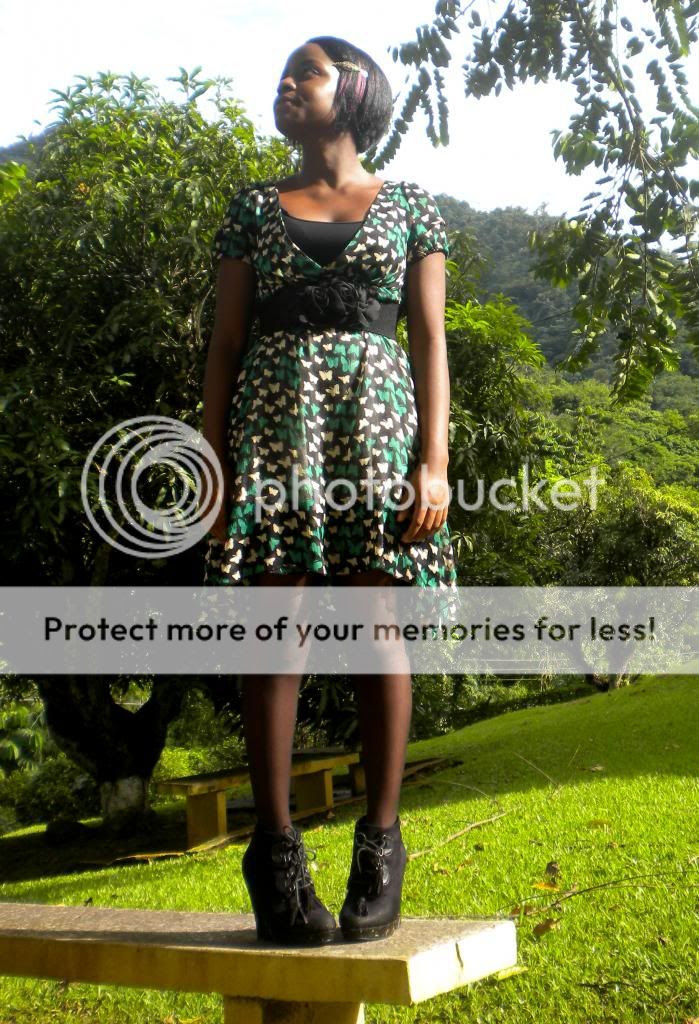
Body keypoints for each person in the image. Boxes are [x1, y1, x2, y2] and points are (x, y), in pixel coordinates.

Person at [201, 35, 457, 946]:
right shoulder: (249, 209)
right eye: (282, 74)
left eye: (303, 72)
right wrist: (213, 463)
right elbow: (225, 346)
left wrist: (434, 461)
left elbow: (428, 341)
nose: (285, 83)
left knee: (375, 628)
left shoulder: (413, 207)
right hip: (275, 430)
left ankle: (379, 843)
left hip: (377, 434)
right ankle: (273, 853)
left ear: (353, 89)